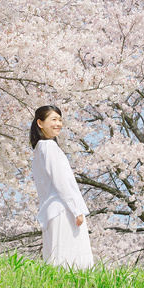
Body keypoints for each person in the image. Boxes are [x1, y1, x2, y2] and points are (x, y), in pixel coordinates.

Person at [30, 104, 94, 270]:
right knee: (72, 260)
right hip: (63, 209)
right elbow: (60, 181)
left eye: (60, 119)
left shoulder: (39, 149)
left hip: (53, 209)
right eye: (53, 119)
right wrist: (76, 208)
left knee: (55, 259)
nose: (58, 123)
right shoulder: (49, 147)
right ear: (40, 123)